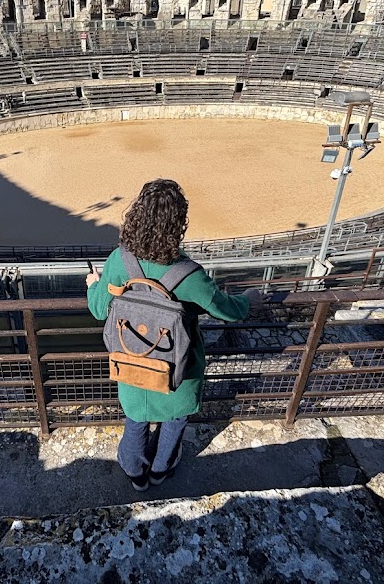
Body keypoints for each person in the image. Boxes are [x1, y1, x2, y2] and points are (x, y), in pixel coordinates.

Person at [86, 179, 264, 491]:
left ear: (136, 215)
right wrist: (249, 299)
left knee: (136, 418)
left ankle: (134, 471)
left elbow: (100, 309)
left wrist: (92, 284)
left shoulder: (120, 259)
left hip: (132, 361)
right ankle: (160, 469)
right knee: (175, 418)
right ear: (178, 224)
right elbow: (227, 310)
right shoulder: (189, 274)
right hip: (179, 367)